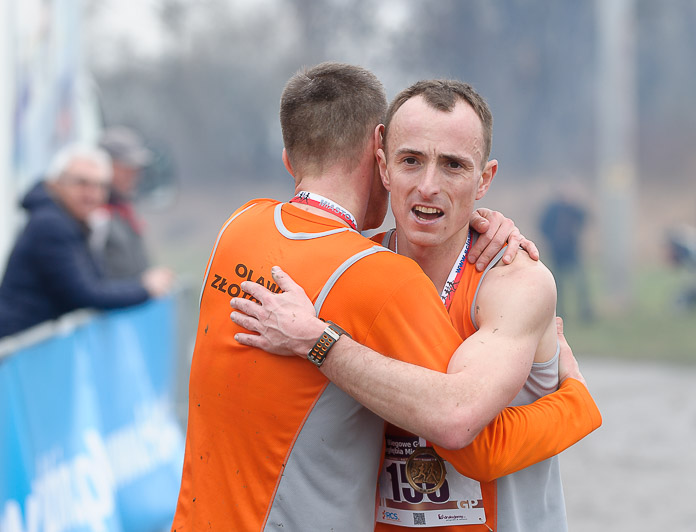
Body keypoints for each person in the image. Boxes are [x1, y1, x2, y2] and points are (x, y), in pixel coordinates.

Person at [172, 62, 599, 531]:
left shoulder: (515, 281)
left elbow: (463, 426)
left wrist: (319, 342)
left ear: (484, 179)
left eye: (454, 165)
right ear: (383, 164)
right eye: (411, 160)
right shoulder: (359, 267)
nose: (429, 185)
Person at [0, 144, 173, 339]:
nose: (92, 194)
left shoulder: (71, 220)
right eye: (81, 183)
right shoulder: (50, 223)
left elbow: (95, 282)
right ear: (56, 183)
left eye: (100, 186)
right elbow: (85, 293)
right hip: (18, 346)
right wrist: (144, 289)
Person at [92, 126, 155, 279]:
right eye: (126, 168)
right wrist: (143, 287)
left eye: (137, 169)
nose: (135, 175)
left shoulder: (124, 208)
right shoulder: (91, 214)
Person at [539, 184, 593, 321]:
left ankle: (586, 313)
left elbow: (585, 218)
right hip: (557, 252)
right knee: (558, 285)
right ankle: (559, 313)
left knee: (581, 281)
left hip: (572, 250)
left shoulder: (574, 208)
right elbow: (542, 226)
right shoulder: (552, 209)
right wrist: (552, 240)